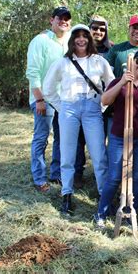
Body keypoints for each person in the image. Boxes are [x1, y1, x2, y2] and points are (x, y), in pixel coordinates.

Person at [43, 24, 115, 214]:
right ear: (72, 39)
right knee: (67, 154)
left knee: (99, 154)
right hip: (69, 109)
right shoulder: (63, 63)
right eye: (77, 36)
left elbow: (112, 84)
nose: (81, 39)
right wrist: (62, 107)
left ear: (90, 39)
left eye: (85, 36)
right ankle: (67, 194)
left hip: (92, 109)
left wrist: (102, 106)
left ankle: (103, 195)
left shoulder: (99, 61)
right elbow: (48, 89)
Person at [94, 50, 138, 227]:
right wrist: (123, 82)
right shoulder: (119, 82)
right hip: (119, 136)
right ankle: (101, 214)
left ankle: (129, 212)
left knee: (137, 177)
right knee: (115, 176)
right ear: (132, 63)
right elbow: (105, 100)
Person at [26, 6, 72, 192]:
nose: (64, 21)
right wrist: (39, 100)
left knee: (61, 139)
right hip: (43, 99)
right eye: (60, 18)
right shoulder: (40, 41)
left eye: (67, 18)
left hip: (64, 99)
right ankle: (39, 178)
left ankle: (57, 174)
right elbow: (33, 73)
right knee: (41, 139)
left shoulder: (69, 41)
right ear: (51, 20)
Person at [72, 15, 115, 189]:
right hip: (80, 103)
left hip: (104, 105)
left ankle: (104, 180)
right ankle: (77, 174)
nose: (98, 32)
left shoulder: (111, 50)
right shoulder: (75, 50)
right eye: (95, 28)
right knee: (78, 141)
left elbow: (112, 79)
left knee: (100, 143)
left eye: (102, 29)